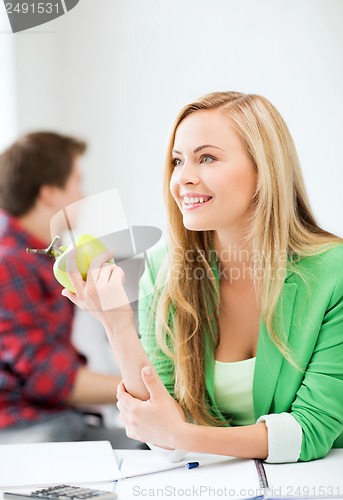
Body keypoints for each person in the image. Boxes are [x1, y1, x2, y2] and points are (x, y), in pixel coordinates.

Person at [62, 92, 343, 463]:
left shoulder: (331, 271)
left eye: (207, 158)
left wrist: (182, 434)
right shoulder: (166, 271)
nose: (183, 179)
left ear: (264, 170)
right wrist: (116, 325)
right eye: (178, 161)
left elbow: (312, 430)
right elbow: (159, 438)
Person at [0, 131, 142, 448]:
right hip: (28, 428)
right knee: (153, 448)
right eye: (76, 182)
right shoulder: (9, 263)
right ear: (50, 192)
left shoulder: (38, 256)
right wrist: (155, 384)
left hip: (53, 419)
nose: (82, 193)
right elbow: (52, 380)